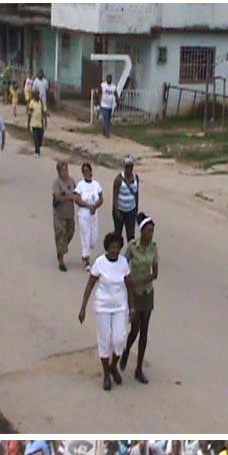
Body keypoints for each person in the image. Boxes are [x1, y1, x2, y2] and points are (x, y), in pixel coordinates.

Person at [78, 231, 135, 391]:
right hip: (103, 307)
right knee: (104, 340)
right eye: (112, 247)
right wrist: (83, 308)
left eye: (117, 247)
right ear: (107, 248)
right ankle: (105, 374)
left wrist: (132, 307)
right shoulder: (100, 263)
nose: (115, 250)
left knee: (118, 339)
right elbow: (90, 285)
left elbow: (129, 285)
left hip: (120, 307)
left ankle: (113, 365)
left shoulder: (123, 263)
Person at [120, 213, 158, 384]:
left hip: (147, 293)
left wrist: (140, 281)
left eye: (152, 231)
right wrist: (127, 280)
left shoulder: (153, 248)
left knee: (145, 331)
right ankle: (127, 349)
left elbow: (155, 273)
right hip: (134, 294)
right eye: (148, 231)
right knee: (134, 329)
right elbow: (122, 264)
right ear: (142, 231)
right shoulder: (132, 247)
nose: (151, 234)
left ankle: (139, 368)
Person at [74, 157, 103, 266]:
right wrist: (87, 205)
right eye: (84, 172)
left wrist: (95, 206)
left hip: (93, 214)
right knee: (85, 236)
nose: (86, 173)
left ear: (91, 171)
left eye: (88, 171)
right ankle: (86, 259)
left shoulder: (96, 184)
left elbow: (101, 198)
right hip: (84, 214)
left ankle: (86, 253)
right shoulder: (80, 185)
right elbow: (77, 199)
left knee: (93, 238)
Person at [52, 158, 76, 271]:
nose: (65, 172)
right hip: (60, 214)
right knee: (60, 235)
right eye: (63, 170)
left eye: (66, 170)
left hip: (70, 214)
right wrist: (69, 197)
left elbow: (77, 193)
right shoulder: (57, 183)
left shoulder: (71, 181)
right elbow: (57, 197)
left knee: (70, 233)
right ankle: (61, 259)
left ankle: (61, 249)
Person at [112, 155, 139, 241]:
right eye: (127, 166)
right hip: (120, 210)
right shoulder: (119, 179)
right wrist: (116, 211)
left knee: (131, 235)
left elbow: (136, 194)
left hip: (131, 210)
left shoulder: (136, 178)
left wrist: (136, 208)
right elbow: (115, 197)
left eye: (131, 166)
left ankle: (130, 253)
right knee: (118, 234)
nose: (129, 169)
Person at [98, 73, 117, 137]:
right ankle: (107, 132)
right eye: (108, 78)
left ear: (111, 79)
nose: (109, 79)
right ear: (106, 79)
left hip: (110, 105)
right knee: (106, 118)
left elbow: (116, 94)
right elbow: (99, 92)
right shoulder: (103, 85)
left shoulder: (113, 87)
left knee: (108, 119)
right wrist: (98, 101)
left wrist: (118, 100)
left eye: (110, 78)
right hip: (104, 105)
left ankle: (104, 130)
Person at [29, 90, 46, 157]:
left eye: (37, 95)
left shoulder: (41, 102)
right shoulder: (32, 102)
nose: (36, 96)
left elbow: (44, 112)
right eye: (35, 95)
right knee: (35, 138)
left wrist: (45, 122)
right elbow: (30, 114)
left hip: (40, 124)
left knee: (40, 139)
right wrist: (28, 123)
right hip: (34, 123)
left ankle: (38, 146)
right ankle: (37, 151)